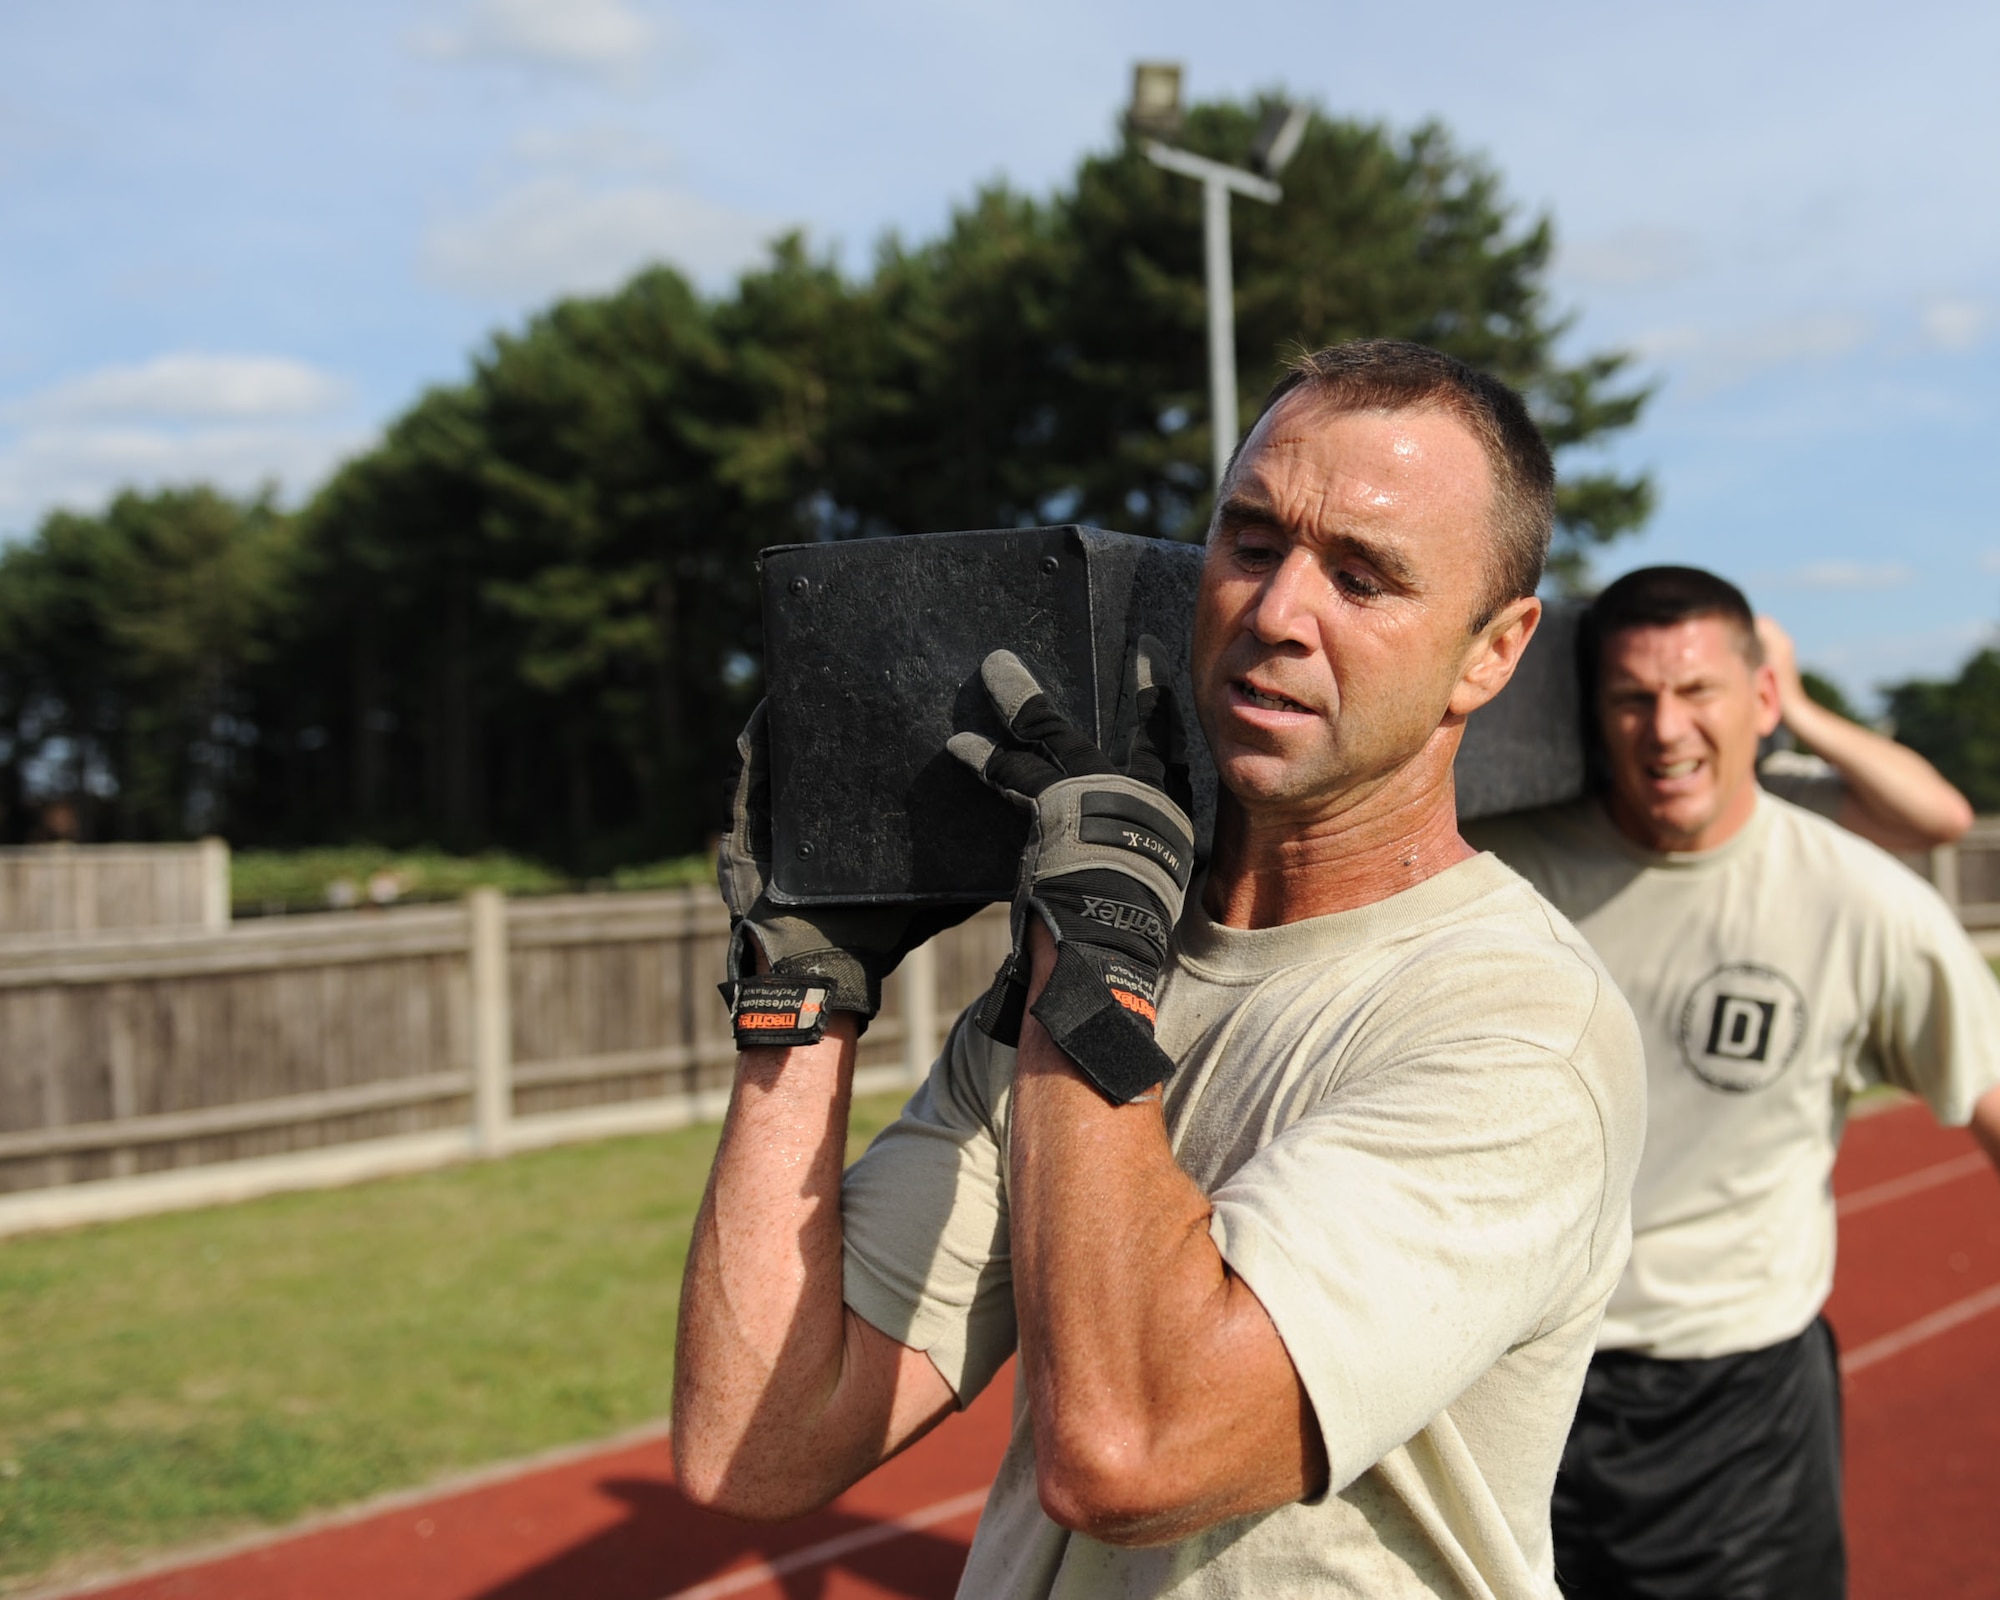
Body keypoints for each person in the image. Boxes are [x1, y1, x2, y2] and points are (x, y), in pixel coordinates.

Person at [673, 339, 1646, 1597]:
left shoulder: (1516, 1029)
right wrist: (800, 1005)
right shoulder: (1088, 955)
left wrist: (1094, 969)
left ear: (1490, 652)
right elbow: (754, 1444)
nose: (1278, 612)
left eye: (1363, 577)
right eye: (1250, 542)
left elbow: (1130, 1453)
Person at [1468, 565, 2000, 1599]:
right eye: (1631, 697)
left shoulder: (1856, 900)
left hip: (1735, 1406)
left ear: (1758, 702)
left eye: (1695, 691)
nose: (1664, 730)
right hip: (1506, 1384)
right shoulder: (1491, 874)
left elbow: (1987, 1094)